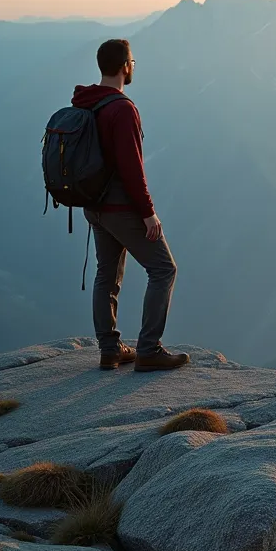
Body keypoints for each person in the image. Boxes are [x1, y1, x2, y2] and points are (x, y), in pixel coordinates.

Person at [72, 39, 189, 372]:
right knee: (164, 269)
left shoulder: (85, 103)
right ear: (125, 66)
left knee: (106, 274)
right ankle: (149, 350)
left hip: (93, 205)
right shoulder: (122, 109)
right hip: (121, 207)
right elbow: (131, 168)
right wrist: (148, 213)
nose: (133, 67)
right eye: (133, 62)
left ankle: (110, 351)